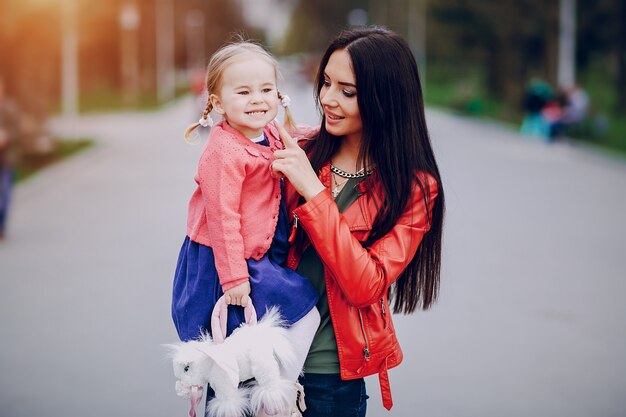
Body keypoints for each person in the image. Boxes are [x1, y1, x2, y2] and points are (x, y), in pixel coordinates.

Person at [271, 26, 445, 416]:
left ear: (386, 99)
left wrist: (314, 194)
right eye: (326, 83)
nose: (328, 99)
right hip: (263, 360)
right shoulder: (299, 150)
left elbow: (366, 284)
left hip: (328, 377)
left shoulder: (414, 188)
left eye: (347, 92)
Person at [171, 41, 320, 416]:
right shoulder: (224, 152)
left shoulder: (266, 131)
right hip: (223, 261)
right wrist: (234, 277)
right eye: (244, 92)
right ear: (218, 103)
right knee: (280, 325)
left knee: (261, 339)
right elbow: (223, 219)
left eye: (266, 90)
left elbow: (293, 134)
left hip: (254, 254)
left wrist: (326, 134)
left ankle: (275, 391)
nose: (258, 99)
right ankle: (277, 394)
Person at [0, 75, 20, 241]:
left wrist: (6, 136)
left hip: (7, 159)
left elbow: (17, 129)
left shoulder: (10, 108)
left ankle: (1, 226)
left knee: (5, 193)